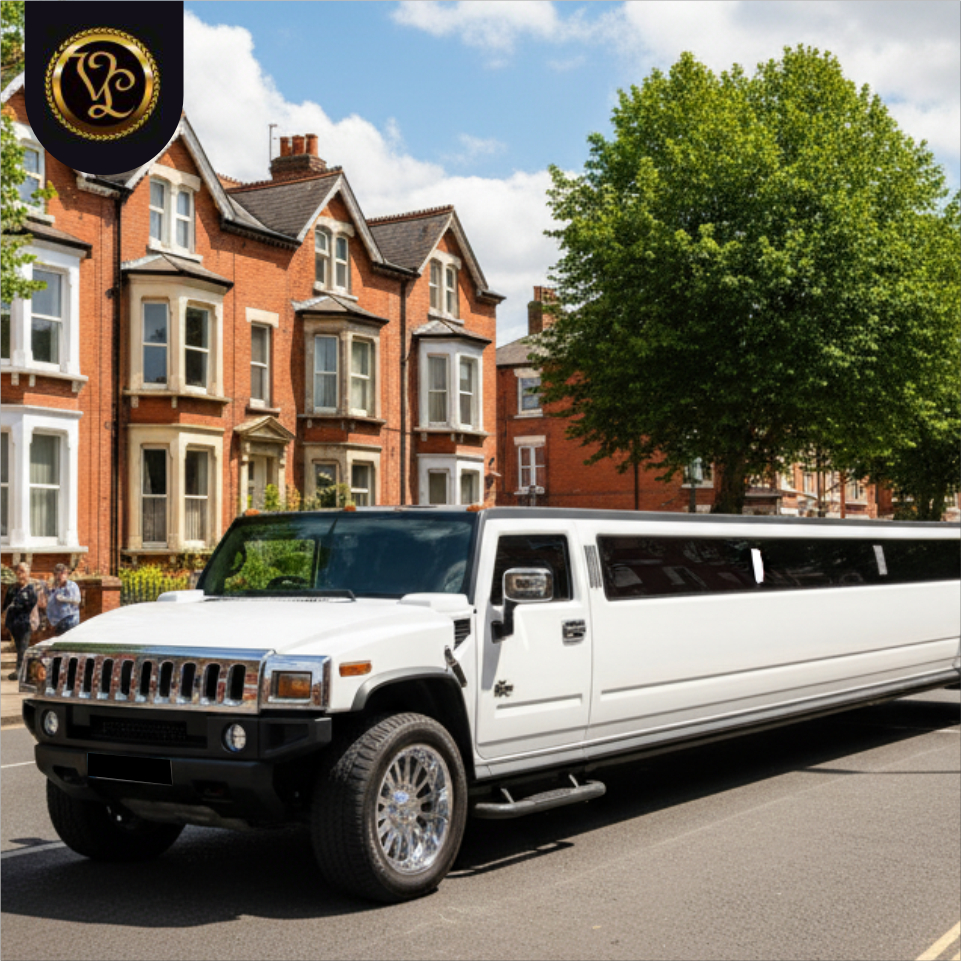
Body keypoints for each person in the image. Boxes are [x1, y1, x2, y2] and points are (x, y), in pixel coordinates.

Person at [2, 563, 38, 681]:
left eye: (23, 571)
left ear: (28, 574)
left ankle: (21, 672)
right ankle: (21, 671)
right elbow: (5, 604)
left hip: (26, 623)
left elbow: (31, 606)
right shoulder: (12, 589)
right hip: (14, 623)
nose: (20, 574)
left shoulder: (31, 590)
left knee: (23, 648)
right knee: (19, 648)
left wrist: (17, 605)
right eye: (18, 571)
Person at [45, 563, 81, 636]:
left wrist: (64, 599)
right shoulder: (55, 588)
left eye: (62, 573)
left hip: (70, 620)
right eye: (56, 574)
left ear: (66, 574)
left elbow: (77, 600)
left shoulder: (71, 585)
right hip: (57, 622)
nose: (60, 576)